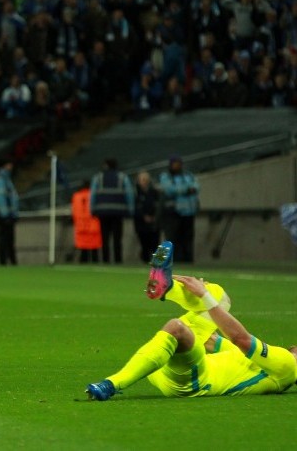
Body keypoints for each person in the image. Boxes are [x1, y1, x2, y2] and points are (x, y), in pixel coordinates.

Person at [86, 241, 297, 400]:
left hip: (194, 382)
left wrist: (203, 297)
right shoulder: (262, 364)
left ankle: (111, 384)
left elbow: (240, 338)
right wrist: (204, 298)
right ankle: (168, 288)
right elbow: (210, 340)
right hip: (174, 369)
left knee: (178, 327)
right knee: (221, 298)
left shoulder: (288, 366)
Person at [89, 158, 134, 264]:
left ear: (105, 165)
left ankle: (106, 260)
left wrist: (92, 210)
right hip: (118, 213)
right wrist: (130, 210)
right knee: (117, 238)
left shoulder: (98, 177)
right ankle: (118, 260)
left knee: (105, 238)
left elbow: (93, 195)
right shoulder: (123, 177)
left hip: (102, 212)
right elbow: (129, 194)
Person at [158, 155, 199, 263]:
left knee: (188, 237)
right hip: (173, 212)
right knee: (172, 237)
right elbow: (170, 189)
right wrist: (186, 190)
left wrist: (184, 190)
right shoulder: (166, 176)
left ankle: (188, 259)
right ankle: (173, 260)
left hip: (189, 211)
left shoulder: (188, 175)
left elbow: (196, 187)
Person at [0, 159, 21, 265]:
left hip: (8, 214)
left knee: (8, 239)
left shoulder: (5, 179)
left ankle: (9, 261)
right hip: (4, 215)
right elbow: (1, 198)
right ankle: (5, 261)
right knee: (5, 239)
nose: (11, 167)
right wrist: (5, 215)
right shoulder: (0, 180)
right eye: (9, 164)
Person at [133, 171, 161, 264]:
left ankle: (156, 264)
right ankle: (145, 260)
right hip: (141, 223)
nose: (144, 182)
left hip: (154, 223)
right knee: (144, 243)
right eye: (142, 179)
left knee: (155, 244)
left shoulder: (154, 193)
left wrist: (154, 217)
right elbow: (135, 208)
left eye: (145, 179)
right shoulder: (135, 193)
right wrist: (143, 216)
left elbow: (158, 206)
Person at [71, 181, 101, 263]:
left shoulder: (76, 196)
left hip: (81, 226)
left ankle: (83, 264)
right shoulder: (94, 195)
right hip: (94, 225)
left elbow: (74, 212)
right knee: (94, 250)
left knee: (83, 249)